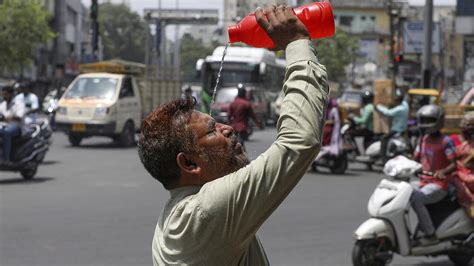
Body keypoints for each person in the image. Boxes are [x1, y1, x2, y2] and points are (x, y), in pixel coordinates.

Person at [138, 5, 328, 265]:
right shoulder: (208, 211)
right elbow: (299, 141)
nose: (227, 129)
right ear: (189, 163)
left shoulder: (177, 216)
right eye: (211, 131)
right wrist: (296, 43)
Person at [411, 105, 456, 245]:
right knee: (401, 190)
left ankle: (430, 234)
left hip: (439, 185)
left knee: (416, 199)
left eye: (429, 120)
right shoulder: (422, 139)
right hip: (423, 182)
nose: (425, 123)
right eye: (423, 120)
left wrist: (443, 172)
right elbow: (415, 158)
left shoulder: (445, 141)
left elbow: (454, 164)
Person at [375, 87, 409, 161]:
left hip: (397, 129)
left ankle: (383, 158)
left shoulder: (400, 109)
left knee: (383, 138)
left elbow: (388, 113)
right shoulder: (405, 105)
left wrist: (378, 107)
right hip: (402, 128)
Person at [228, 83, 262, 149]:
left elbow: (229, 116)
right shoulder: (246, 104)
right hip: (242, 127)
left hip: (234, 128)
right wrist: (258, 123)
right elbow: (253, 116)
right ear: (244, 93)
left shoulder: (233, 103)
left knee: (235, 145)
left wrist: (229, 124)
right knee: (241, 145)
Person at [0, 86, 25, 164]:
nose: (4, 96)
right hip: (3, 125)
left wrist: (8, 118)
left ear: (11, 94)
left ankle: (6, 159)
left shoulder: (18, 104)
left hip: (16, 127)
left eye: (6, 94)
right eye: (3, 94)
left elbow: (19, 117)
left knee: (6, 133)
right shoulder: (3, 104)